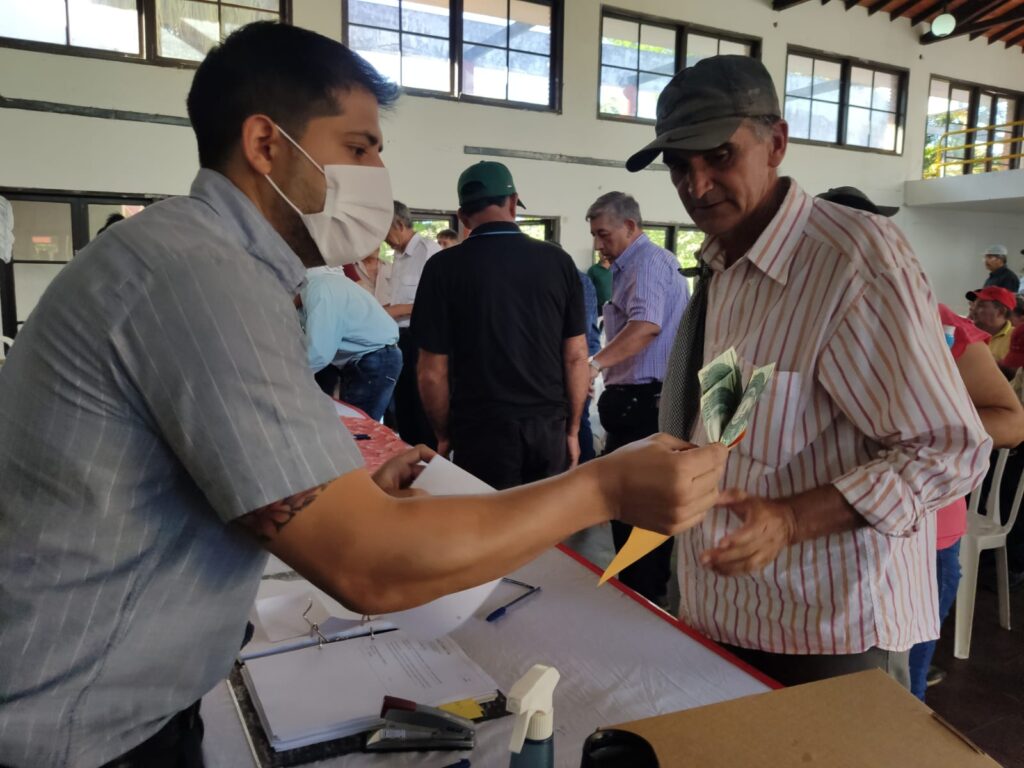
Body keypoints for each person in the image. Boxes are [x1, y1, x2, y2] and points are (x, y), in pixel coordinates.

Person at [0, 24, 731, 768]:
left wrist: (344, 492)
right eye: (358, 148)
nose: (378, 173)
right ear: (266, 144)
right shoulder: (200, 276)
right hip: (79, 735)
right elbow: (367, 565)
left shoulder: (208, 263)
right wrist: (603, 487)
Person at [625, 55, 989, 687]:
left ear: (776, 143)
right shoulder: (724, 268)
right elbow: (733, 418)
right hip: (722, 609)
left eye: (719, 156)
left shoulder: (855, 260)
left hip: (828, 633)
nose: (697, 185)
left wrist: (791, 519)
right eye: (679, 166)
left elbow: (949, 450)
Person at [816, 186, 1024, 699]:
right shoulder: (799, 320)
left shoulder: (938, 325)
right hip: (830, 532)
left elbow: (1009, 421)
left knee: (897, 694)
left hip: (920, 534)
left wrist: (927, 427)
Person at [414, 161, 589, 489]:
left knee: (489, 520)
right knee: (546, 519)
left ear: (462, 216)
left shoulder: (442, 268)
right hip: (546, 426)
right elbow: (577, 356)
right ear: (513, 203)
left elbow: (431, 372)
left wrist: (444, 434)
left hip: (481, 429)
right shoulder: (558, 262)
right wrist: (573, 429)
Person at [586, 191, 690, 603]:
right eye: (595, 235)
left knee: (640, 514)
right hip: (633, 402)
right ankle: (636, 594)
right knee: (627, 510)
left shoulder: (647, 262)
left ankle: (645, 601)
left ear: (630, 226)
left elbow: (646, 325)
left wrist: (594, 364)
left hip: (645, 404)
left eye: (604, 234)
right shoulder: (630, 266)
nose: (598, 244)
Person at [299, 265, 402, 420]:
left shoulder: (321, 288)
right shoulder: (325, 283)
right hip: (370, 357)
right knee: (351, 422)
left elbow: (319, 352)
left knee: (356, 426)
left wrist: (289, 375)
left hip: (374, 359)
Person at [384, 200, 439, 447]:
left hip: (421, 336)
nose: (383, 239)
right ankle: (408, 452)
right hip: (399, 338)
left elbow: (435, 301)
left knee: (421, 403)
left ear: (398, 224)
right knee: (403, 401)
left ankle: (429, 456)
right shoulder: (398, 256)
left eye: (384, 231)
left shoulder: (428, 252)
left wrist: (395, 310)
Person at [578, 267, 601, 463]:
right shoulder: (583, 279)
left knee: (576, 427)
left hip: (574, 366)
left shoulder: (577, 281)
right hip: (583, 361)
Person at [966, 285, 1015, 364]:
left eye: (980, 305)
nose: (972, 309)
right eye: (973, 305)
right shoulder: (966, 332)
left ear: (1001, 311)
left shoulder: (1017, 339)